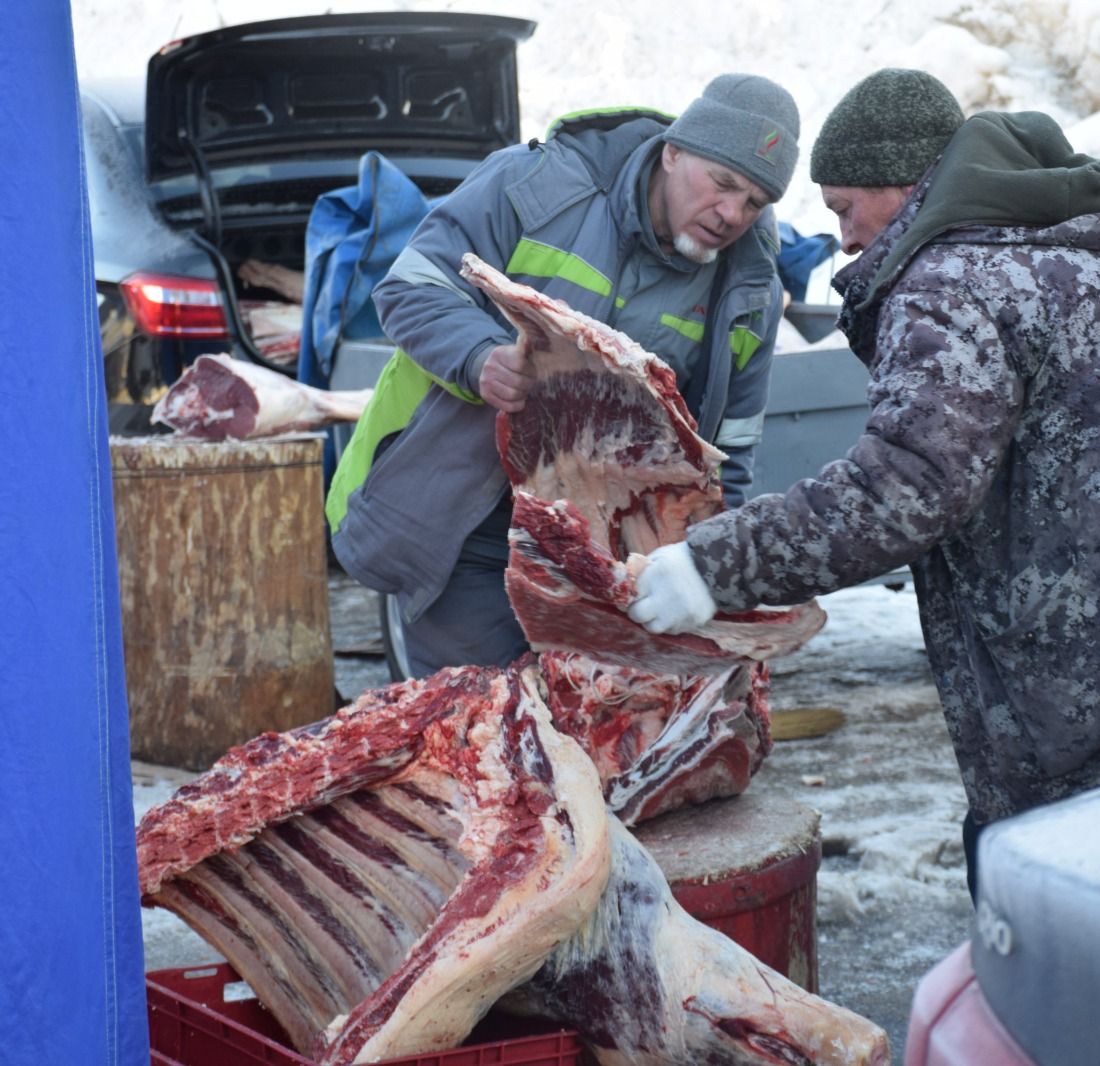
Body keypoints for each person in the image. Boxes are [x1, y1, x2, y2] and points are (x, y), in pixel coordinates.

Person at [628, 68, 1100, 896]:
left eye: (844, 209)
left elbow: (909, 484)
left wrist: (712, 568)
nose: (845, 242)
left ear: (903, 186)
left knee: (1054, 904)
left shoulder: (950, 277)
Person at [327, 74, 801, 676]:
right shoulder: (537, 186)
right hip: (462, 515)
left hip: (601, 554)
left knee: (588, 739)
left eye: (756, 201)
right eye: (723, 183)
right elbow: (411, 287)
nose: (732, 213)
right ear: (673, 151)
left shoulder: (752, 290)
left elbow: (727, 452)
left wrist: (708, 572)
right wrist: (479, 359)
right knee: (482, 728)